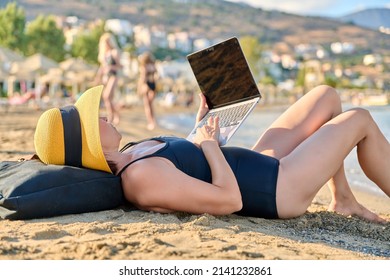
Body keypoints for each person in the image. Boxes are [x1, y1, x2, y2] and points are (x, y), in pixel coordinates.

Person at [34, 85, 390, 223]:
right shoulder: (139, 178)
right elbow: (229, 199)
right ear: (89, 140)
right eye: (94, 118)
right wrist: (206, 143)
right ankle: (343, 197)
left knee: (326, 97)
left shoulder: (132, 153)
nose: (103, 114)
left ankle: (343, 197)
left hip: (256, 165)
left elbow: (191, 166)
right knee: (359, 119)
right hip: (278, 189)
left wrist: (201, 127)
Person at [97, 32, 121, 125]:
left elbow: (120, 66)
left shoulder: (114, 52)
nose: (106, 44)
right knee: (108, 98)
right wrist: (98, 77)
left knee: (107, 96)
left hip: (114, 75)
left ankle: (113, 116)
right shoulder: (104, 55)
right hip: (106, 77)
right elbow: (102, 68)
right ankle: (113, 115)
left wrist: (111, 67)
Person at [137, 51, 158, 130]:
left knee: (147, 105)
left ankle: (150, 122)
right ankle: (154, 121)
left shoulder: (144, 67)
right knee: (151, 104)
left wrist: (139, 88)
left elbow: (143, 78)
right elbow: (156, 75)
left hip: (146, 85)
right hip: (153, 84)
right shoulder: (153, 65)